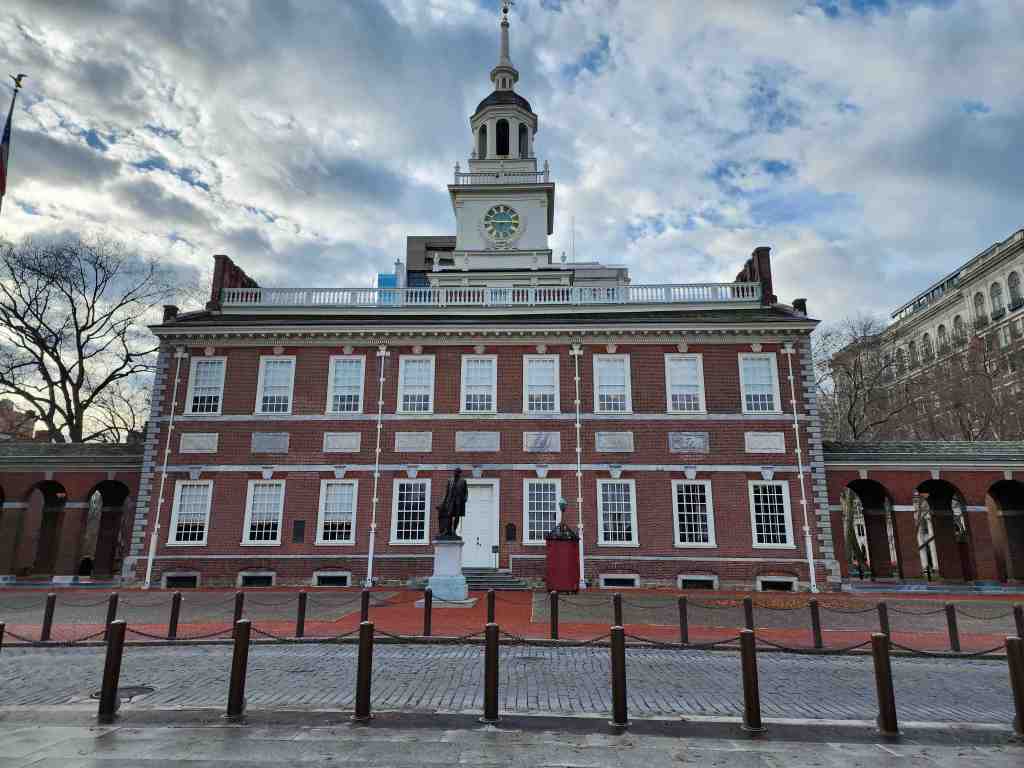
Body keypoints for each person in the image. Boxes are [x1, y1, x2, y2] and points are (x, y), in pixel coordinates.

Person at [437, 467, 469, 538]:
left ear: (459, 473)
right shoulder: (450, 481)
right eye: (454, 472)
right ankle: (448, 531)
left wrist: (465, 499)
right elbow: (446, 493)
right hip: (450, 501)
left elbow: (466, 492)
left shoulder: (463, 481)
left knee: (457, 517)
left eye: (457, 472)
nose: (455, 473)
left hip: (458, 502)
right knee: (449, 516)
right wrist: (443, 502)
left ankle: (454, 531)